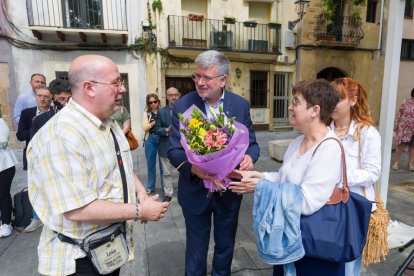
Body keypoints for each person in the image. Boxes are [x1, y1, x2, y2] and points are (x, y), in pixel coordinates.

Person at [27, 55, 169, 276]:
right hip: (78, 261)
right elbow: (77, 208)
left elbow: (120, 164)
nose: (122, 89)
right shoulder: (61, 136)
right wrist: (140, 210)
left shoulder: (107, 122)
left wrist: (140, 192)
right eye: (115, 82)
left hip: (106, 247)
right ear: (89, 88)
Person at [230, 80, 345, 276]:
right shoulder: (298, 141)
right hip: (288, 236)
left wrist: (259, 186)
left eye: (296, 102)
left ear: (314, 110)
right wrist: (257, 175)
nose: (290, 107)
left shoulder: (329, 147)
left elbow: (307, 201)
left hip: (314, 246)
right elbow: (285, 178)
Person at [168, 50, 260, 276]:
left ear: (223, 79)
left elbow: (253, 144)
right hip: (195, 191)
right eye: (196, 76)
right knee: (196, 251)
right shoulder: (183, 106)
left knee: (225, 247)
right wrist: (194, 168)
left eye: (206, 78)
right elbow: (174, 150)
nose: (199, 82)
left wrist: (249, 157)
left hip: (228, 191)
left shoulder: (240, 105)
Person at [330, 77, 381, 276]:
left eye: (338, 99)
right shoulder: (325, 132)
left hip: (354, 207)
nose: (332, 104)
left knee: (349, 266)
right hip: (326, 205)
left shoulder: (367, 133)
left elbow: (373, 172)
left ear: (353, 100)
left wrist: (339, 178)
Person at [154, 87, 181, 202]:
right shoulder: (161, 111)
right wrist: (166, 130)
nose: (174, 97)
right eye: (171, 95)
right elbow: (157, 129)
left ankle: (183, 191)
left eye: (176, 95)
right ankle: (168, 193)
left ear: (179, 95)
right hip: (165, 146)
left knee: (184, 171)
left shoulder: (184, 110)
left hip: (181, 148)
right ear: (167, 97)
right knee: (166, 173)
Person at [17, 86, 52, 172]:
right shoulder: (26, 113)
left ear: (51, 97)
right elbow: (20, 136)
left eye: (46, 96)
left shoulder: (56, 112)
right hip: (34, 155)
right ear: (35, 97)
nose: (42, 99)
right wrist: (35, 127)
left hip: (52, 155)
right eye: (39, 96)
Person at [0, 110, 19, 238]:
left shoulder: (0, 122)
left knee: (2, 193)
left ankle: (6, 223)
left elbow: (3, 141)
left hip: (5, 165)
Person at [142, 93, 163, 194]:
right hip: (150, 139)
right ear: (148, 104)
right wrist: (153, 123)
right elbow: (144, 127)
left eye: (155, 101)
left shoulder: (163, 112)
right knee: (151, 164)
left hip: (162, 138)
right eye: (151, 102)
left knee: (163, 164)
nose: (153, 104)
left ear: (158, 102)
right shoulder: (146, 113)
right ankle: (150, 187)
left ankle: (165, 186)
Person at [392, 88, 414, 171]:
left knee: (413, 146)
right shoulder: (405, 102)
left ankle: (410, 164)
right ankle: (396, 162)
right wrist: (396, 125)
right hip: (404, 128)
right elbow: (399, 114)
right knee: (400, 145)